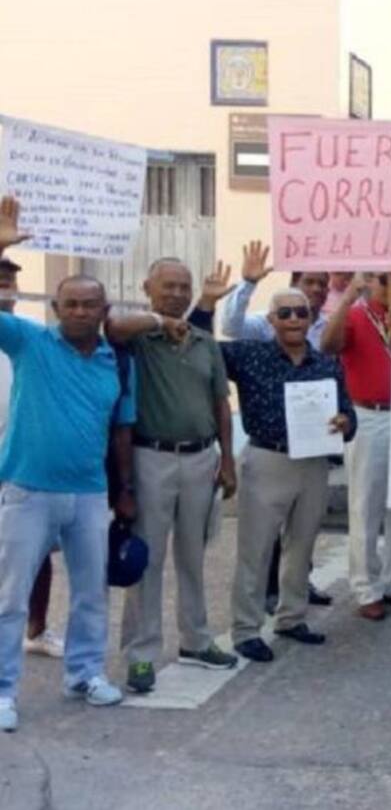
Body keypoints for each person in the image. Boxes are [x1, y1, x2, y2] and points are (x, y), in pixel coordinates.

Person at [0, 195, 133, 731]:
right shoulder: (30, 341)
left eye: (90, 304)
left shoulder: (111, 359)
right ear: (56, 310)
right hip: (28, 489)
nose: (80, 311)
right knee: (10, 597)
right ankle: (4, 692)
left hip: (88, 494)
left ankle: (84, 674)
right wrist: (3, 245)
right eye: (71, 304)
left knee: (90, 593)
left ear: (105, 312)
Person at [107, 258, 239, 695]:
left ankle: (196, 640)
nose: (178, 294)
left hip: (201, 458)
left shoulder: (204, 341)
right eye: (168, 287)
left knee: (192, 555)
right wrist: (159, 321)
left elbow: (220, 402)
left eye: (184, 287)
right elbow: (112, 326)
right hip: (151, 458)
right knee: (148, 559)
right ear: (148, 288)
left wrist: (227, 459)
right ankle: (141, 655)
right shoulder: (139, 339)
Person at [220, 288, 356, 663]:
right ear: (272, 320)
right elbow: (204, 347)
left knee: (302, 546)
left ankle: (291, 617)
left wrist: (345, 421)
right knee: (256, 549)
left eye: (301, 312)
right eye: (285, 313)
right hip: (267, 459)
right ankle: (246, 630)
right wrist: (237, 290)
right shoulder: (249, 355)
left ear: (310, 318)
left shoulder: (326, 363)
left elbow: (348, 413)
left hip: (313, 464)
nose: (294, 319)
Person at [321, 272, 391, 620]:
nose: (390, 288)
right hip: (369, 413)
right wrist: (346, 298)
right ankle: (365, 586)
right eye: (382, 281)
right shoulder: (355, 315)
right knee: (365, 503)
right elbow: (328, 345)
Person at [0, 255, 64, 661]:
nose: (6, 287)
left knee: (37, 551)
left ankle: (36, 629)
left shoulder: (33, 336)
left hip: (24, 460)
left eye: (10, 280)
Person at [220, 240, 331, 350]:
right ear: (293, 284)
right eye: (309, 282)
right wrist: (249, 283)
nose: (316, 289)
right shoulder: (268, 322)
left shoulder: (331, 328)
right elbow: (230, 328)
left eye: (322, 284)